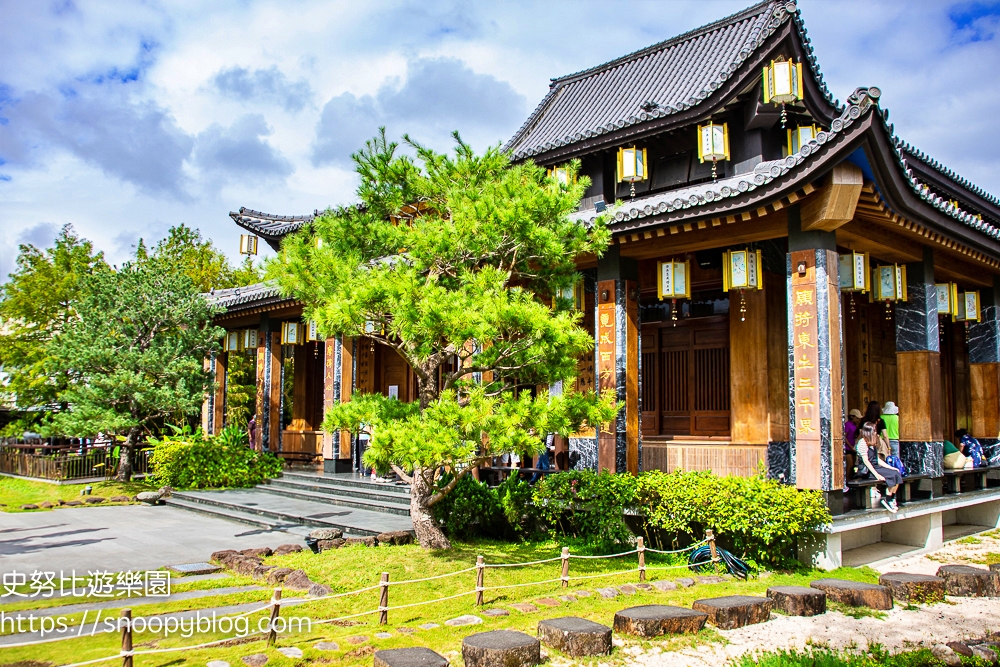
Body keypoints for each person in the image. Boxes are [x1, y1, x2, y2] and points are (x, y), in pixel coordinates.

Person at [856, 422, 901, 513]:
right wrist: (877, 475)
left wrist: (891, 468)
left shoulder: (873, 443)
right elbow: (866, 461)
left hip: (876, 467)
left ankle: (892, 498)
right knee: (891, 476)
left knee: (896, 473)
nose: (876, 433)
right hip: (868, 470)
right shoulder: (862, 443)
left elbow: (877, 460)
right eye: (874, 431)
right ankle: (888, 500)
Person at [844, 408, 862, 483]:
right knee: (850, 465)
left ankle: (850, 480)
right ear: (852, 417)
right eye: (857, 418)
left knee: (853, 465)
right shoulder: (847, 425)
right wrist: (851, 447)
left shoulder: (855, 425)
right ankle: (847, 481)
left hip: (853, 447)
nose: (858, 419)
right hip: (848, 448)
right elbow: (844, 437)